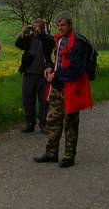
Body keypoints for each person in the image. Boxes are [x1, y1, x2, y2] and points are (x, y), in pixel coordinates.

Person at [34, 12, 92, 168]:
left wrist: (55, 74)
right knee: (52, 120)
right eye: (58, 25)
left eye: (63, 25)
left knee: (71, 122)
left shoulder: (78, 42)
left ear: (70, 25)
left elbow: (76, 68)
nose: (60, 27)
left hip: (71, 87)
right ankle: (51, 153)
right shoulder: (59, 41)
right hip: (57, 86)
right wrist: (49, 68)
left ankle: (69, 156)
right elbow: (58, 62)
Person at [15, 18, 55, 133]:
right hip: (29, 74)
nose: (35, 27)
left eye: (38, 25)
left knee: (44, 101)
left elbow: (51, 44)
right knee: (28, 100)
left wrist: (40, 34)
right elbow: (18, 44)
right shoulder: (29, 38)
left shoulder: (47, 38)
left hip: (43, 74)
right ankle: (30, 123)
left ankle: (43, 124)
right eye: (34, 25)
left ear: (43, 27)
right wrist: (23, 33)